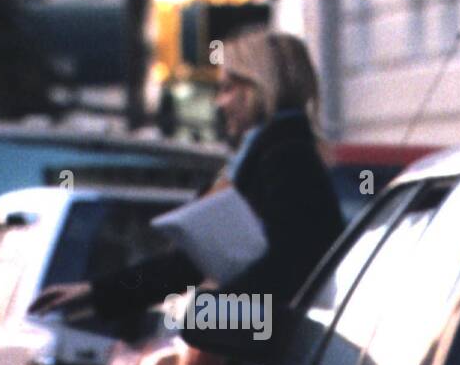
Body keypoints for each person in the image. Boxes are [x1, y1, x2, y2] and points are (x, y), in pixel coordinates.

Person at [31, 30, 345, 324]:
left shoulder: (284, 158)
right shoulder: (267, 157)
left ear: (259, 89)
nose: (218, 103)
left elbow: (287, 269)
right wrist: (96, 292)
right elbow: (190, 264)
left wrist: (213, 309)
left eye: (226, 88)